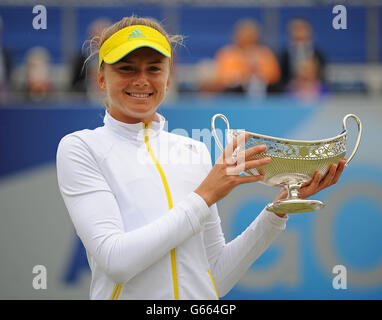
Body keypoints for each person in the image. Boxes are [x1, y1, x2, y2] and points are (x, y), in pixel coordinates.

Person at [56, 15, 346, 300]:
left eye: (154, 69)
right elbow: (117, 263)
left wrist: (277, 211)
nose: (142, 80)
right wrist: (205, 194)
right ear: (101, 79)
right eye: (126, 68)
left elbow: (213, 278)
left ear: (169, 79)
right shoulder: (80, 148)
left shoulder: (193, 150)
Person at [199, 19, 280, 97]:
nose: (246, 38)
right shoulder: (227, 53)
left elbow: (273, 76)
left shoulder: (264, 54)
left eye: (250, 35)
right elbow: (223, 78)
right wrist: (243, 73)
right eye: (243, 35)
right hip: (232, 95)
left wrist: (256, 72)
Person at [277, 18, 326, 93]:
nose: (299, 33)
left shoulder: (318, 54)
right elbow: (281, 78)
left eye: (301, 29)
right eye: (296, 29)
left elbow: (323, 76)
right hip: (290, 94)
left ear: (309, 31)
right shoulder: (284, 55)